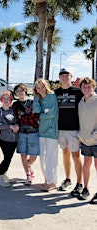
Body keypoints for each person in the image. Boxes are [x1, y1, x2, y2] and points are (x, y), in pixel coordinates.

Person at [54, 68, 83, 196]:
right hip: (61, 129)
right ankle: (67, 179)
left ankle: (80, 183)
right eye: (62, 76)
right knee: (65, 154)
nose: (65, 77)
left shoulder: (78, 92)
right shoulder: (56, 92)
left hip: (74, 129)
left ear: (71, 76)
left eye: (67, 75)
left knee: (76, 156)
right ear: (59, 78)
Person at [33, 78, 59, 192]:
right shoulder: (38, 98)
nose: (40, 89)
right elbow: (36, 110)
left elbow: (52, 113)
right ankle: (47, 180)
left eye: (42, 87)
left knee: (51, 158)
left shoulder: (52, 96)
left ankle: (52, 182)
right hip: (41, 131)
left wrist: (41, 116)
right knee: (42, 157)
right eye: (38, 88)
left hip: (52, 131)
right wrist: (36, 98)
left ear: (46, 86)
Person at [12, 83, 40, 185]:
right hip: (22, 132)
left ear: (25, 91)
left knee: (34, 155)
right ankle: (28, 175)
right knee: (23, 154)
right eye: (18, 91)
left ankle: (28, 166)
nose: (20, 93)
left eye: (21, 90)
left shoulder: (32, 102)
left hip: (33, 131)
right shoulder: (15, 105)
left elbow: (37, 116)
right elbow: (15, 118)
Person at [77, 77, 97, 204]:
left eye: (89, 86)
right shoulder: (81, 102)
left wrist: (94, 136)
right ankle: (86, 188)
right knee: (86, 164)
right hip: (84, 140)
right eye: (84, 87)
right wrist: (81, 135)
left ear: (94, 88)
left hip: (96, 140)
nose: (86, 89)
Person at [0, 90, 19, 187]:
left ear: (11, 100)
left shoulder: (13, 110)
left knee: (9, 158)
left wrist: (17, 126)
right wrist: (10, 127)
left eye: (8, 98)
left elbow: (18, 121)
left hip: (14, 139)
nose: (6, 100)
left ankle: (4, 174)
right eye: (4, 98)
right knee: (6, 157)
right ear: (1, 99)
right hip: (4, 139)